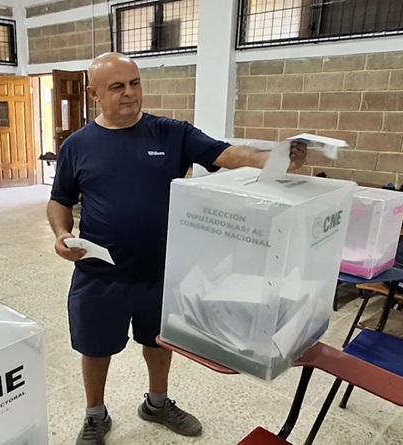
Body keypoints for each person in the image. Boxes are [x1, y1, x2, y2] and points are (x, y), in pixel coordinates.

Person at [47, 52, 307, 445]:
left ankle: (157, 403)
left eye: (135, 83)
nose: (130, 93)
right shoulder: (78, 145)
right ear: (94, 93)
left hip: (161, 271)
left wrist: (275, 159)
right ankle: (95, 414)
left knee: (158, 341)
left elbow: (228, 153)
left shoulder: (171, 133)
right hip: (98, 273)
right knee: (95, 348)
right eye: (117, 86)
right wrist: (61, 233)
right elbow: (60, 199)